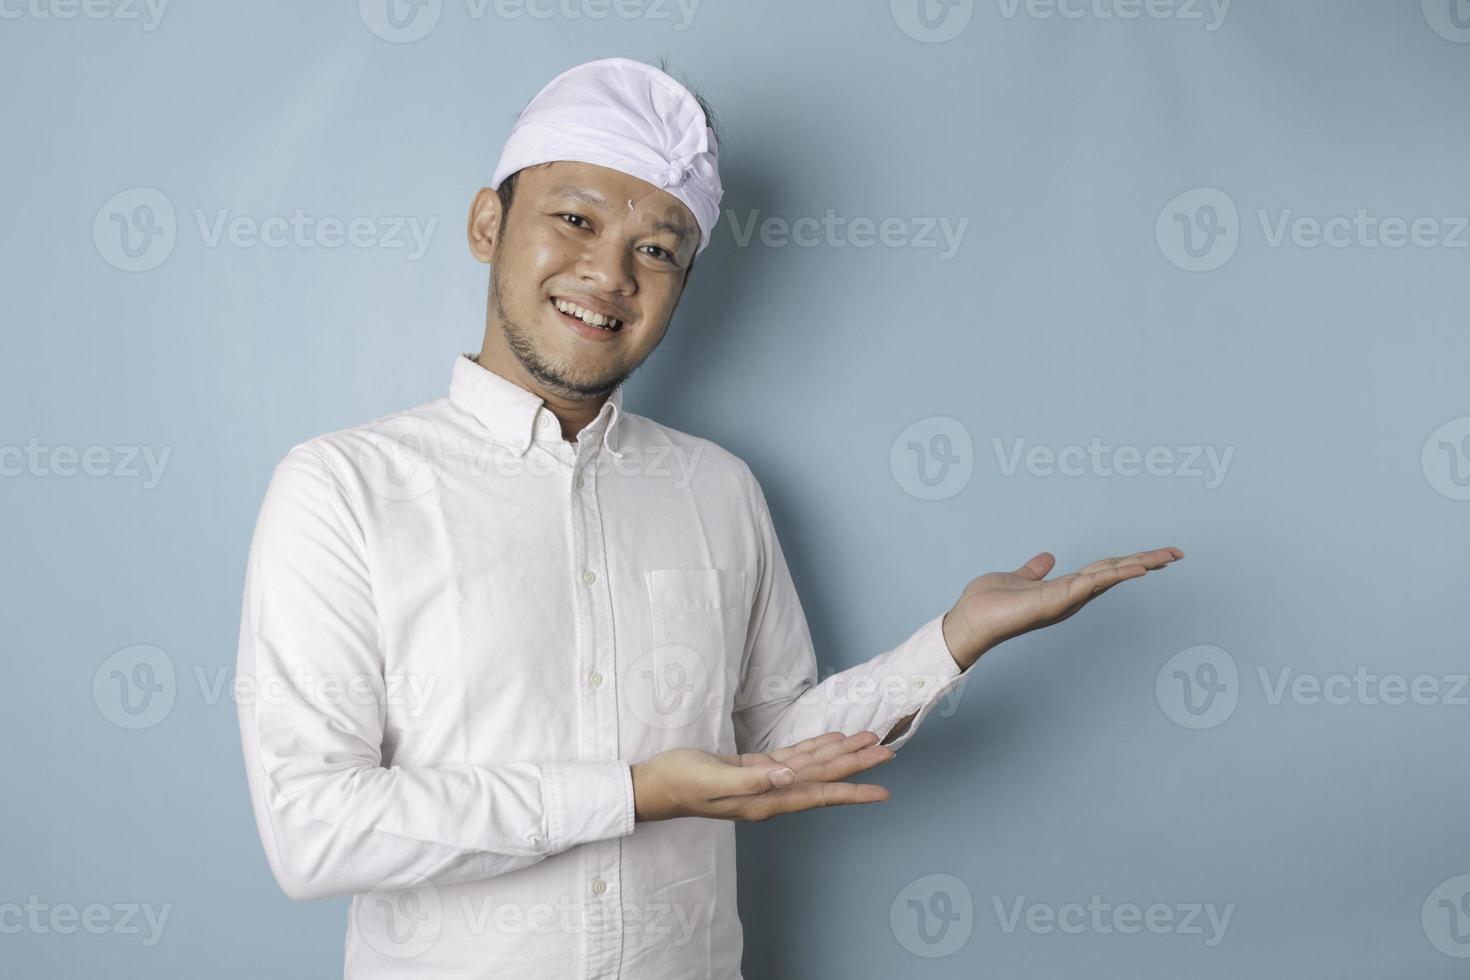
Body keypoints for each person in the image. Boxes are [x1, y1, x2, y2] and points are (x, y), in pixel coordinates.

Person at [234, 55, 1182, 979]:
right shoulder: (342, 489)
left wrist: (950, 642)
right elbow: (315, 830)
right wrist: (632, 795)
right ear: (489, 222)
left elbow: (767, 750)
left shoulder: (718, 488)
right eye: (574, 219)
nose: (610, 274)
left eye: (657, 250)